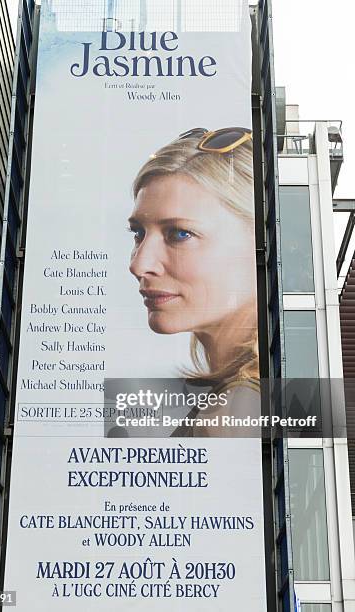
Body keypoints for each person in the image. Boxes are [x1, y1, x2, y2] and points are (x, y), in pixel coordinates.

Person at [128, 127, 260, 436]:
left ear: (258, 242)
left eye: (180, 234)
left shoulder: (234, 413)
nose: (138, 264)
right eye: (138, 233)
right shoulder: (243, 398)